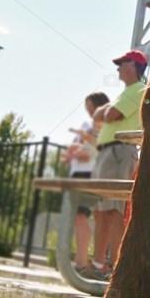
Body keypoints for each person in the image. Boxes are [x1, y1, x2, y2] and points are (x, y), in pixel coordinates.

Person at [91, 49, 147, 277]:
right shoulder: (127, 93)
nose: (117, 69)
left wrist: (105, 111)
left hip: (119, 152)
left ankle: (115, 266)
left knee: (114, 211)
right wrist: (105, 111)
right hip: (109, 152)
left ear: (133, 66)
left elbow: (109, 115)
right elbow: (100, 114)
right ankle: (98, 265)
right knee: (102, 210)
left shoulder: (138, 90)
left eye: (122, 64)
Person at [65, 91, 109, 275]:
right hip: (78, 172)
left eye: (91, 106)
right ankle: (81, 259)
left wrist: (80, 152)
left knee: (81, 215)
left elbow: (93, 150)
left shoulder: (104, 125)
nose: (89, 110)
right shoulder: (87, 125)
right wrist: (75, 152)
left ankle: (82, 261)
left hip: (88, 172)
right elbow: (77, 147)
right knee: (78, 216)